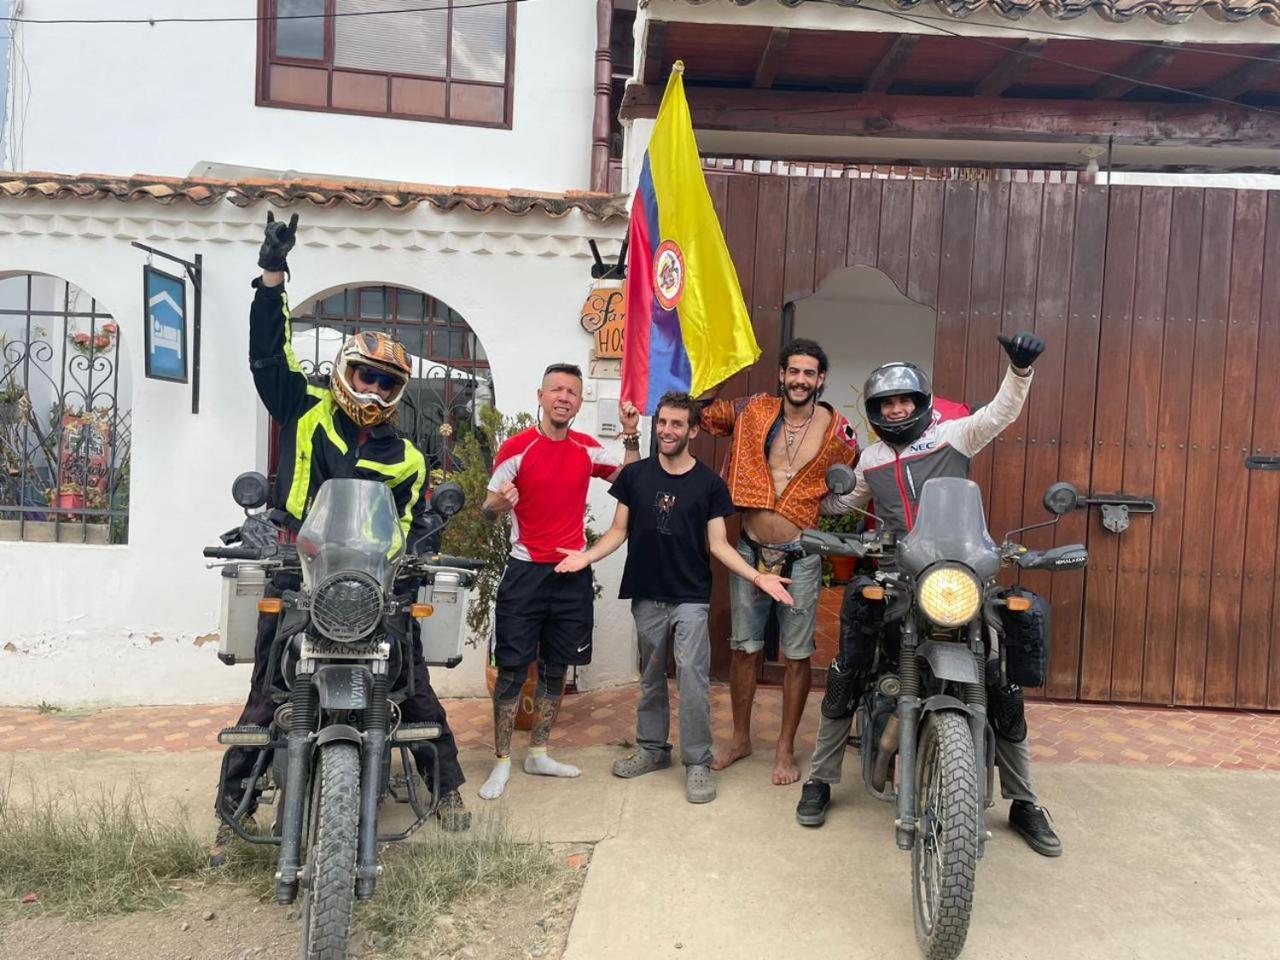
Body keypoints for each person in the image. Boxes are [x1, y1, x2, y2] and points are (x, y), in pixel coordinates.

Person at [215, 211, 470, 865]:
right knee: (269, 687)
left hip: (373, 582)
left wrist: (419, 549)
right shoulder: (304, 409)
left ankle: (447, 793)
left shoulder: (409, 458)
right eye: (366, 375)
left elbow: (413, 523)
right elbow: (267, 355)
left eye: (388, 381)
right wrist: (272, 276)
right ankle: (232, 810)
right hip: (299, 569)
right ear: (345, 372)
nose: (375, 388)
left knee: (412, 685)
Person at [796, 331, 1063, 858]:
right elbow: (845, 498)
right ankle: (821, 778)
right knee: (850, 667)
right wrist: (821, 503)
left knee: (1000, 679)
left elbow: (1000, 414)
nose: (897, 409)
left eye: (906, 400)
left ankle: (1025, 799)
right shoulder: (870, 457)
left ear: (921, 404)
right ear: (875, 409)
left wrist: (1021, 371)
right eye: (886, 403)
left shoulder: (954, 436)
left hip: (958, 573)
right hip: (897, 573)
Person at [553, 391, 795, 803]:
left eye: (677, 424)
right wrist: (586, 556)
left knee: (693, 678)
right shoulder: (636, 476)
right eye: (662, 422)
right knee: (649, 679)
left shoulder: (709, 485)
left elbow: (718, 545)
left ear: (693, 431)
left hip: (690, 598)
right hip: (646, 594)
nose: (667, 430)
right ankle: (651, 750)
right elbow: (617, 531)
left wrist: (758, 577)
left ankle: (697, 761)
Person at [699, 340, 860, 785]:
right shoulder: (753, 411)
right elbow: (704, 415)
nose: (801, 380)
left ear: (821, 379)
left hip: (801, 556)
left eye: (810, 373)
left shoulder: (839, 431)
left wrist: (818, 511)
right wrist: (721, 364)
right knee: (744, 649)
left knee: (796, 655)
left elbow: (856, 479)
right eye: (794, 371)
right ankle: (740, 738)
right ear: (781, 375)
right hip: (750, 551)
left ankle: (786, 748)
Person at [477, 365, 640, 800]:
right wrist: (499, 502)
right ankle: (501, 761)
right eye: (556, 390)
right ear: (541, 395)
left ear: (579, 401)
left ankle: (539, 752)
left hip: (571, 571)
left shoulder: (586, 449)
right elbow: (488, 512)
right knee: (512, 670)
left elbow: (633, 481)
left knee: (556, 668)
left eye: (572, 391)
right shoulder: (516, 448)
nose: (564, 397)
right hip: (525, 572)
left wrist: (630, 435)